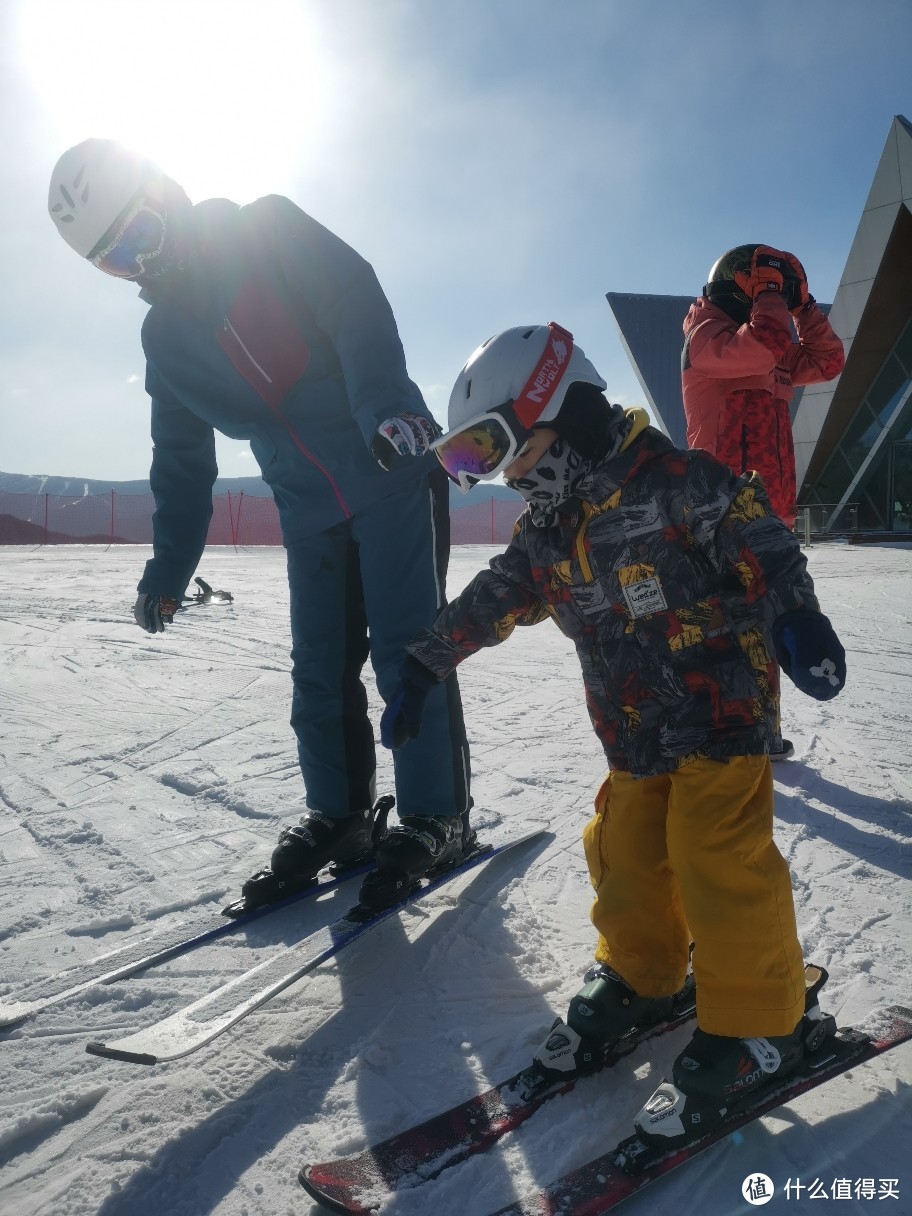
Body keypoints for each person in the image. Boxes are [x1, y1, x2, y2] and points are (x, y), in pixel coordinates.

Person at [380, 321, 847, 1143]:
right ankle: (647, 975)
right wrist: (425, 664)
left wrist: (798, 618)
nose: (516, 480)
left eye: (516, 454)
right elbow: (493, 599)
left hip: (722, 715)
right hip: (632, 733)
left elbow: (763, 539)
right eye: (495, 469)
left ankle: (763, 1016)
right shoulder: (547, 532)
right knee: (625, 850)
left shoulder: (678, 481)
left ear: (566, 406)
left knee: (716, 855)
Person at [47, 139, 472, 910]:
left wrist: (385, 407)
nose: (142, 262)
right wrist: (170, 570)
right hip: (306, 509)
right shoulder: (164, 340)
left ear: (164, 191)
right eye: (118, 260)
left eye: (141, 233)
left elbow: (355, 300)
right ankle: (341, 816)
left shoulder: (263, 229)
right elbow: (179, 458)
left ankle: (437, 815)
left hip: (387, 464)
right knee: (317, 671)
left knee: (408, 652)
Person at [682, 244, 845, 761]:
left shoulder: (768, 343)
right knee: (720, 628)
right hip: (718, 514)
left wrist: (804, 306)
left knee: (767, 625)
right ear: (739, 289)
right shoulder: (706, 337)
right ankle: (716, 734)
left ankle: (763, 735)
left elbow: (828, 360)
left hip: (769, 513)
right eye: (759, 290)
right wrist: (774, 296)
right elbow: (765, 343)